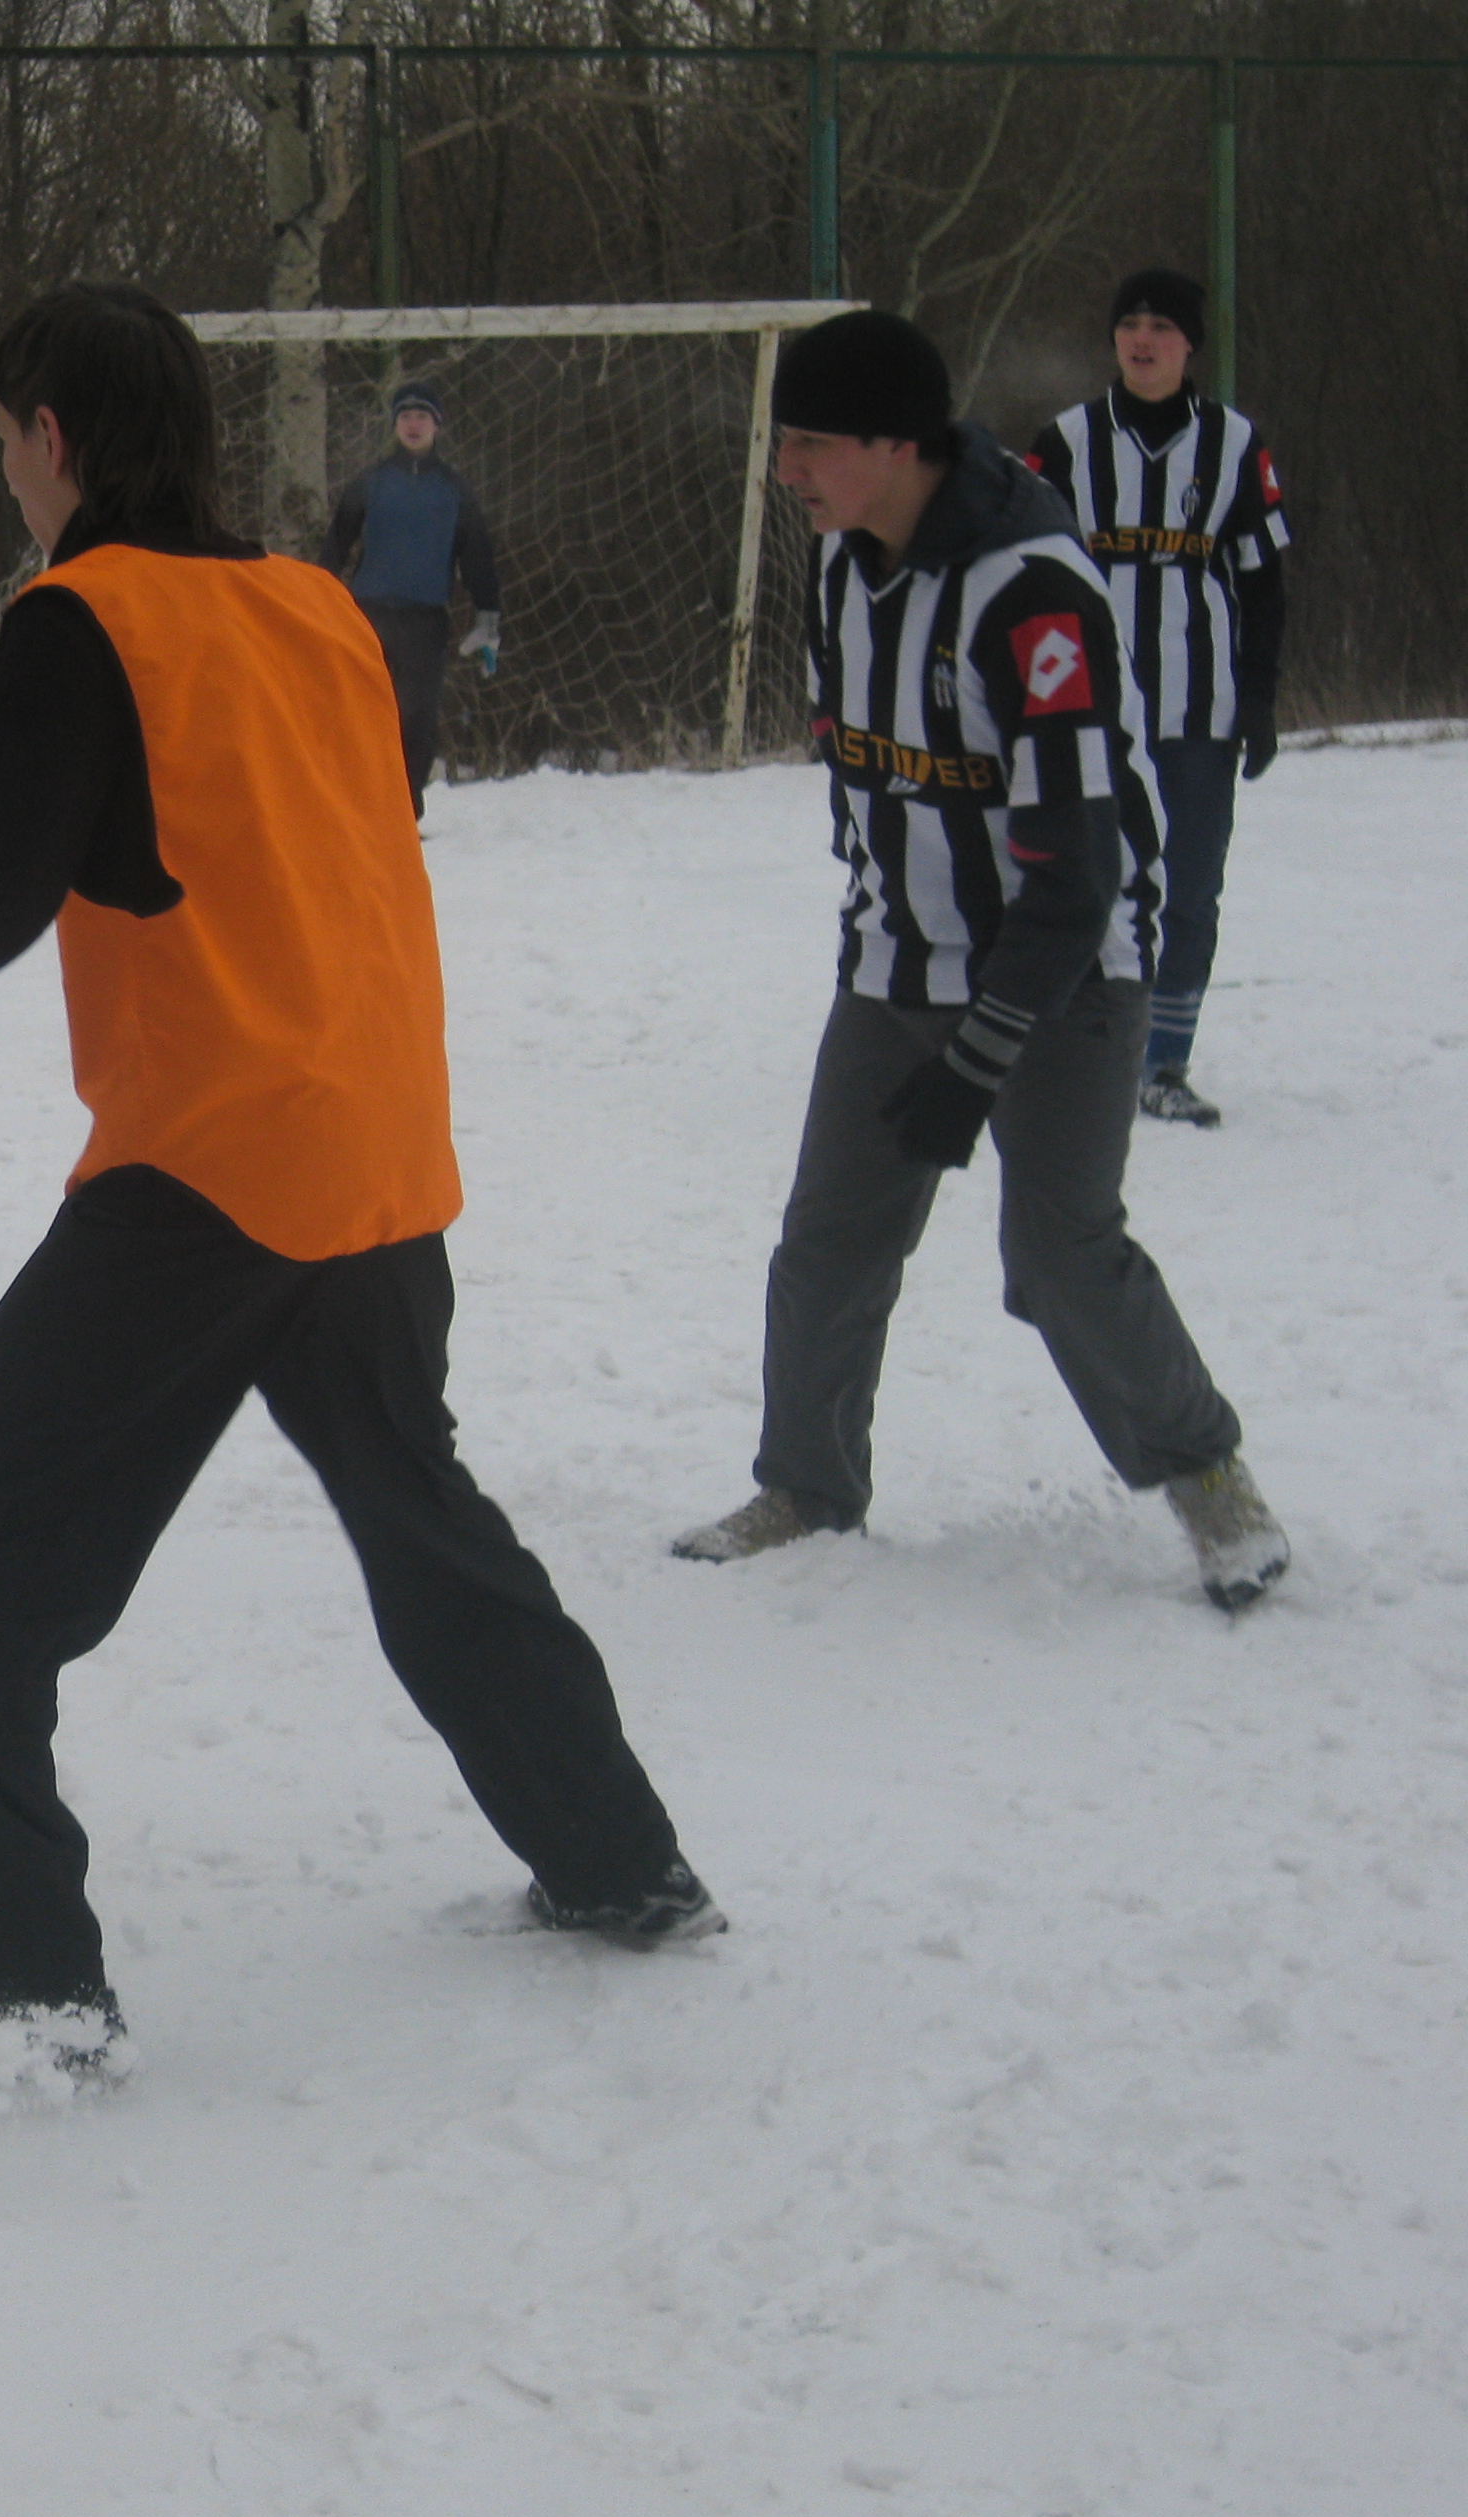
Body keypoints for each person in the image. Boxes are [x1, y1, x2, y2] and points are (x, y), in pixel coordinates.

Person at [0, 284, 721, 2070]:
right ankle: (618, 1863)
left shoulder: (87, 619)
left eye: (5, 443)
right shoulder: (314, 608)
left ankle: (31, 2001)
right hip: (377, 1155)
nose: (2, 477)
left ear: (52, 439)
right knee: (418, 1516)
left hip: (216, 1171)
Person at [673, 309, 1289, 1612]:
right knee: (829, 1241)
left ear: (898, 446)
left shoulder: (1034, 592)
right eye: (780, 438)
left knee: (1059, 1254)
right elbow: (866, 771)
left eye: (811, 443)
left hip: (1066, 974)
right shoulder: (844, 562)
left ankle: (1210, 1477)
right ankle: (808, 1487)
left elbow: (1075, 879)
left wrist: (983, 1059)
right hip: (900, 963)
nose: (785, 468)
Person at [1027, 266, 1295, 1128]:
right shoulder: (1067, 443)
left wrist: (1259, 697)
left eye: (1162, 326)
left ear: (1189, 345)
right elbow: (1019, 576)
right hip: (1085, 710)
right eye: (1130, 323)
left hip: (1198, 706)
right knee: (1071, 875)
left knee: (1187, 886)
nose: (1143, 339)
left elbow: (1264, 582)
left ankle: (1163, 1061)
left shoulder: (1233, 444)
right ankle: (1060, 1048)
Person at [318, 381, 501, 819]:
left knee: (416, 720)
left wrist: (488, 617)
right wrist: (317, 599)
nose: (412, 424)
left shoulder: (454, 488)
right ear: (395, 425)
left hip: (426, 621)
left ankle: (402, 815)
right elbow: (336, 545)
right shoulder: (372, 482)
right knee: (360, 716)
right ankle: (355, 809)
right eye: (404, 416)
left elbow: (476, 553)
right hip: (368, 618)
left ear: (437, 425)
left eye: (421, 417)